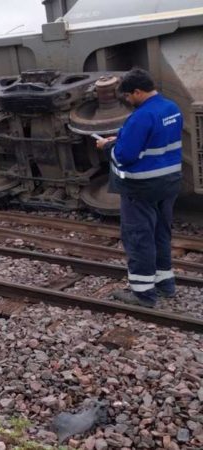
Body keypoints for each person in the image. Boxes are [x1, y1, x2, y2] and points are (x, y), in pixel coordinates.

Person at [96, 68, 183, 308]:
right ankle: (166, 285)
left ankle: (143, 294)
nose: (127, 100)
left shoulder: (141, 116)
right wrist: (123, 138)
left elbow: (124, 157)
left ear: (137, 91)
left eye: (128, 96)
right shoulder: (171, 108)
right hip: (169, 183)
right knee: (161, 233)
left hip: (142, 187)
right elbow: (156, 140)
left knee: (138, 237)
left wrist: (106, 146)